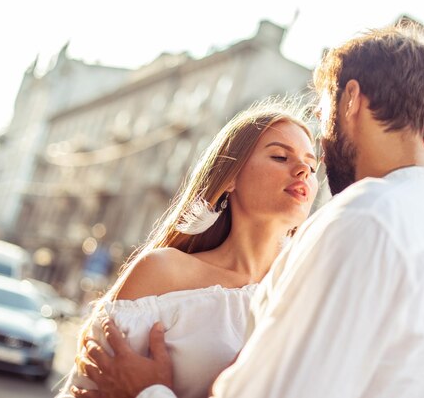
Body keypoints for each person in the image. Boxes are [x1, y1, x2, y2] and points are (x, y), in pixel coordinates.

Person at [76, 21, 424, 398]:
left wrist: (147, 391)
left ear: (350, 100)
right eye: (280, 156)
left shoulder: (363, 219)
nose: (309, 162)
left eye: (322, 113)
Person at [57, 99, 322, 398]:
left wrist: (148, 391)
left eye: (312, 166)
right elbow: (85, 390)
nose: (303, 170)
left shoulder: (310, 296)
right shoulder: (162, 274)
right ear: (231, 176)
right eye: (279, 157)